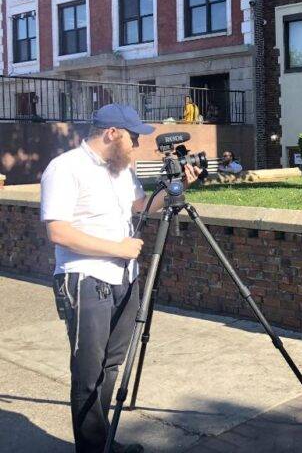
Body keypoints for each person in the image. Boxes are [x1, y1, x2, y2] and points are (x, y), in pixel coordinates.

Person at [41, 104, 201, 453]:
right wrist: (117, 248)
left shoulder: (121, 170)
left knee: (111, 366)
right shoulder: (65, 168)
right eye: (133, 138)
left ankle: (102, 442)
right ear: (112, 133)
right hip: (85, 280)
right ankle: (92, 448)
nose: (137, 145)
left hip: (125, 279)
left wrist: (177, 187)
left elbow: (140, 206)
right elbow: (58, 232)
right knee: (88, 373)